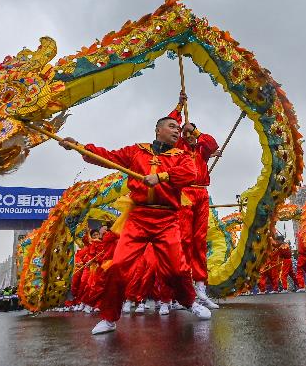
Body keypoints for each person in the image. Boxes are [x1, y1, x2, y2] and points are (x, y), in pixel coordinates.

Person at [61, 114, 211, 335]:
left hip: (167, 219)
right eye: (172, 126)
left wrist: (161, 177)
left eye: (178, 128)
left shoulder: (182, 155)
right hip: (138, 218)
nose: (177, 130)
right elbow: (107, 157)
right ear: (158, 130)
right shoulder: (137, 151)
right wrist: (79, 147)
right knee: (119, 266)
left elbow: (190, 174)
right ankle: (109, 318)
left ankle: (190, 302)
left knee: (178, 268)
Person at [169, 93, 221, 309]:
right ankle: (182, 289)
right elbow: (169, 122)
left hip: (202, 194)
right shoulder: (178, 147)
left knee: (200, 240)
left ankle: (201, 287)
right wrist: (180, 106)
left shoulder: (201, 148)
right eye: (185, 134)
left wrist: (196, 131)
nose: (189, 136)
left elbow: (212, 143)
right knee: (184, 240)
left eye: (191, 134)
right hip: (184, 194)